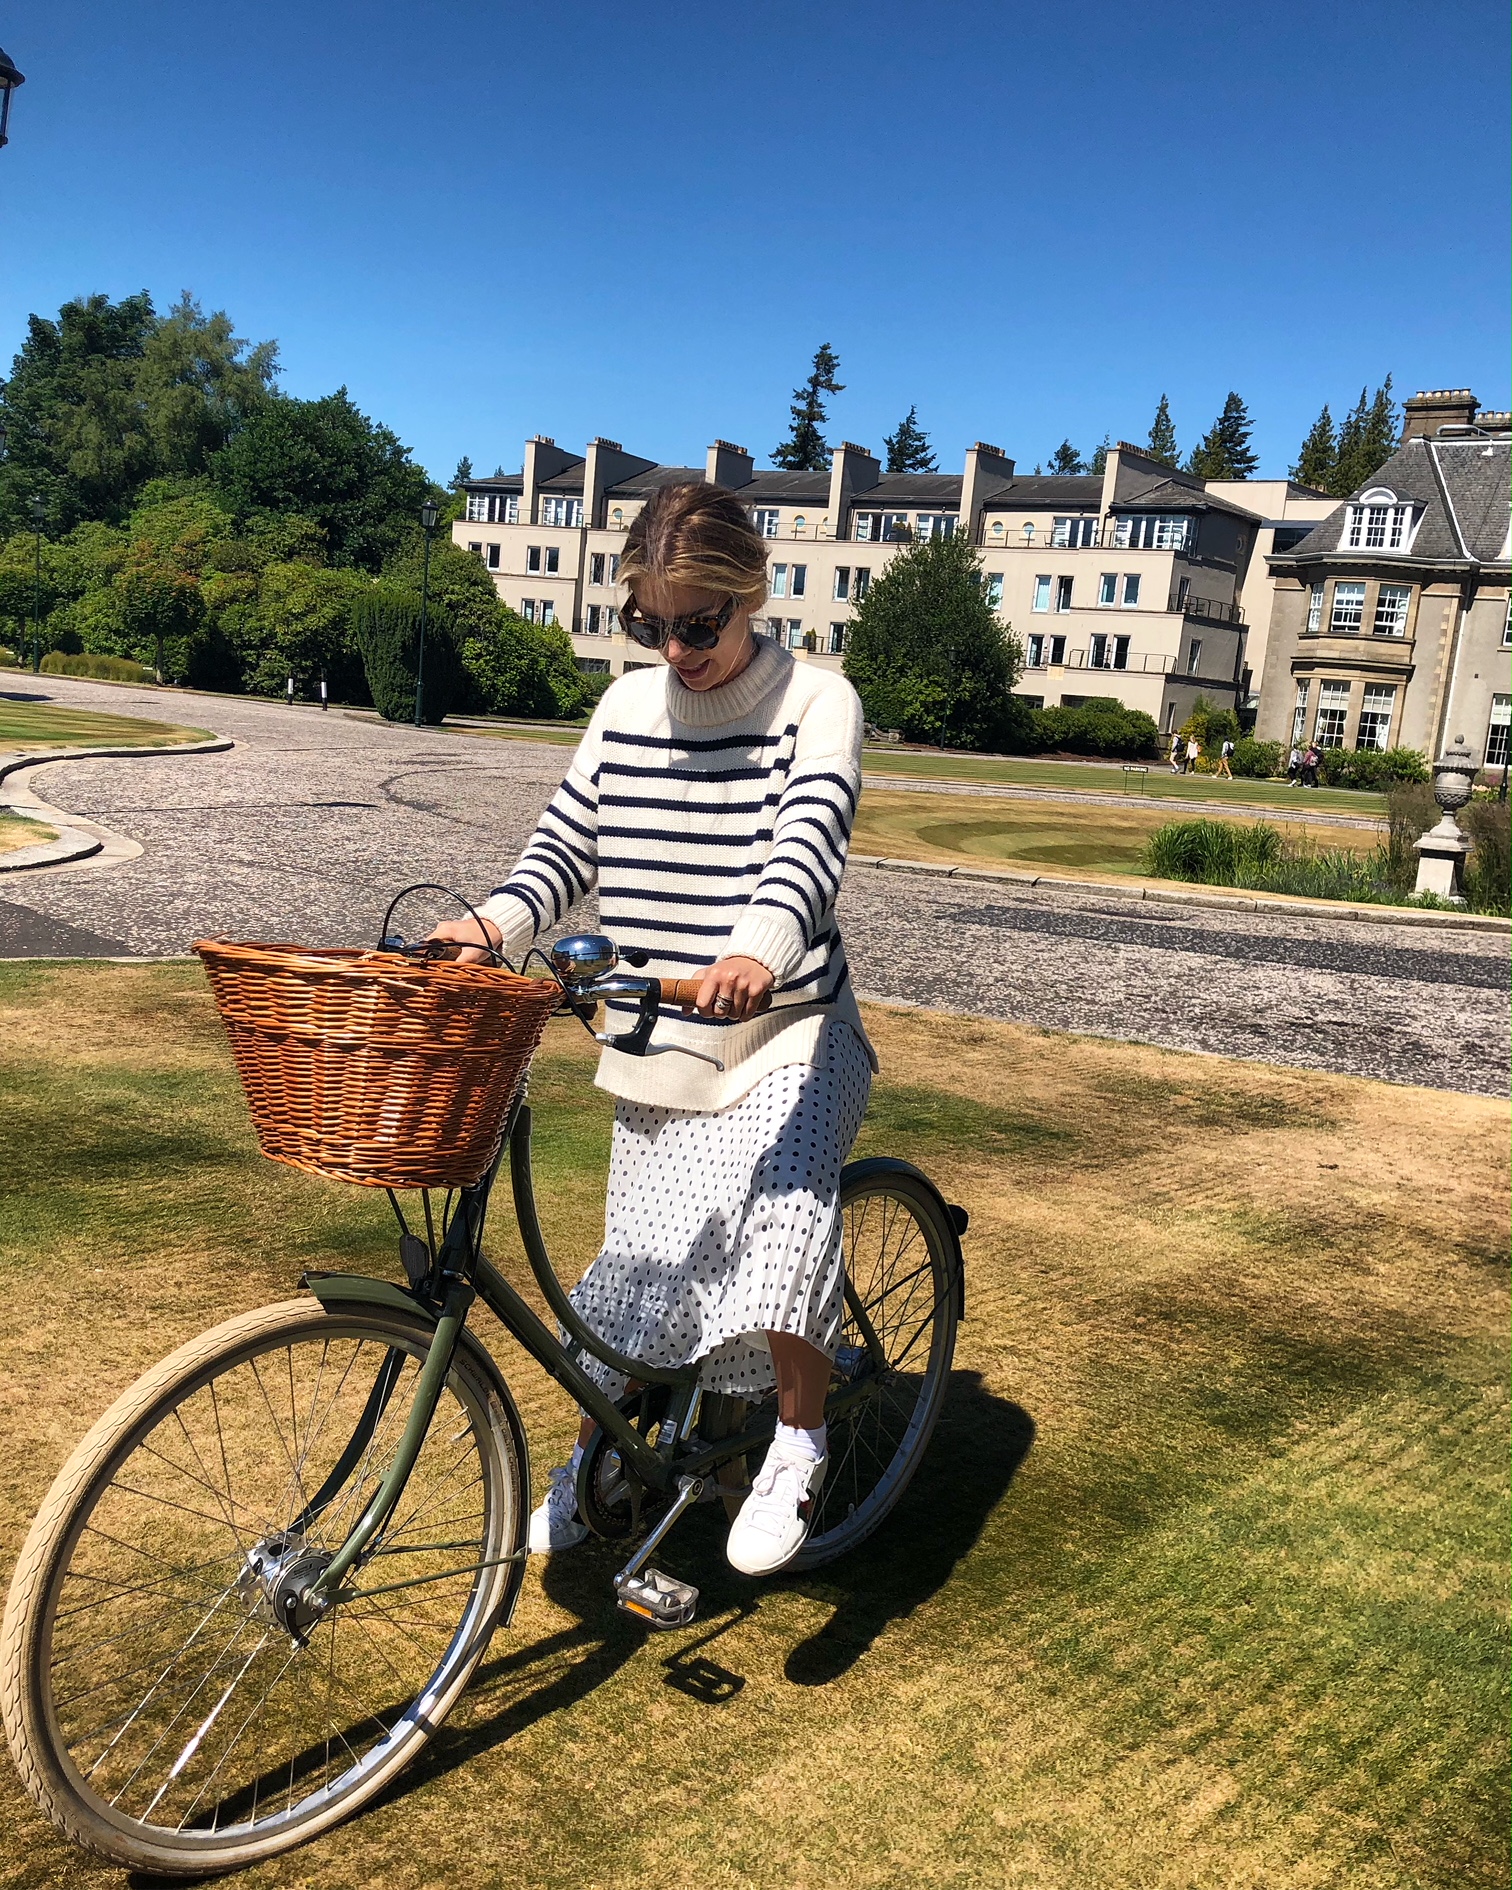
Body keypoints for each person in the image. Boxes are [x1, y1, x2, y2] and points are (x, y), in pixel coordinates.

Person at [428, 482, 876, 1579]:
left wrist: (755, 955)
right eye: (650, 623)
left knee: (777, 1233)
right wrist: (493, 922)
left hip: (784, 1025)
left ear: (751, 596)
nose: (676, 650)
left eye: (698, 622)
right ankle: (596, 1468)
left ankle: (799, 1443)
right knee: (645, 1274)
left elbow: (809, 844)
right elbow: (565, 845)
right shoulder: (625, 713)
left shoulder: (818, 701)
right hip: (657, 1032)